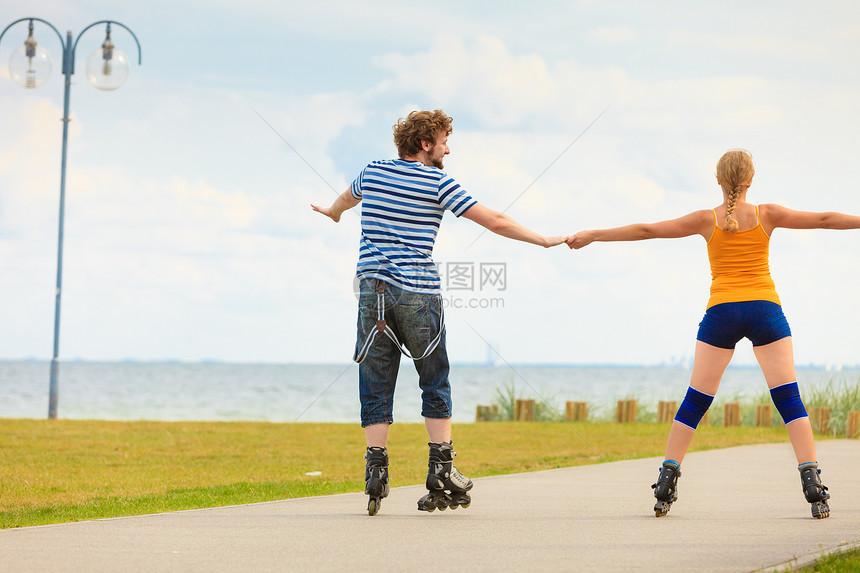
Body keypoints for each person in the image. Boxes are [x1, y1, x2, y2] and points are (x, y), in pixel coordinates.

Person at [566, 149, 860, 519]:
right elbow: (825, 220)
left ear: (718, 181)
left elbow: (647, 230)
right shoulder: (766, 214)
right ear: (750, 181)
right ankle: (813, 486)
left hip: (720, 312)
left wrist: (593, 234)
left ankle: (666, 483)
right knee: (789, 399)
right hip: (765, 310)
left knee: (695, 400)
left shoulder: (707, 220)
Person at [312, 109, 566, 515]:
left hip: (371, 290)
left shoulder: (373, 171)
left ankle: (375, 471)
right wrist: (543, 240)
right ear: (426, 144)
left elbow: (347, 198)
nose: (450, 147)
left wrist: (334, 212)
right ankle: (441, 469)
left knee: (375, 380)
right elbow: (495, 221)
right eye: (445, 140)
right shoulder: (438, 181)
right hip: (418, 293)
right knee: (434, 378)